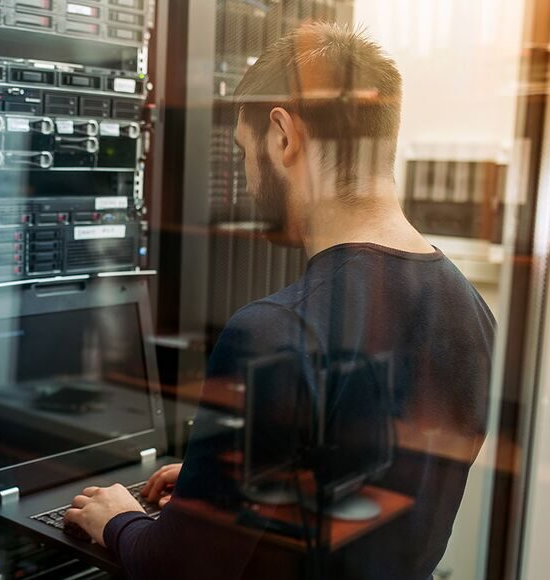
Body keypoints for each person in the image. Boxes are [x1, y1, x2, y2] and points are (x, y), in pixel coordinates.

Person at [63, 22, 495, 579]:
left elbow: (178, 569)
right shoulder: (470, 308)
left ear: (284, 136)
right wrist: (214, 491)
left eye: (243, 152)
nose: (245, 177)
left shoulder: (274, 331)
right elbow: (363, 494)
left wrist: (119, 518)